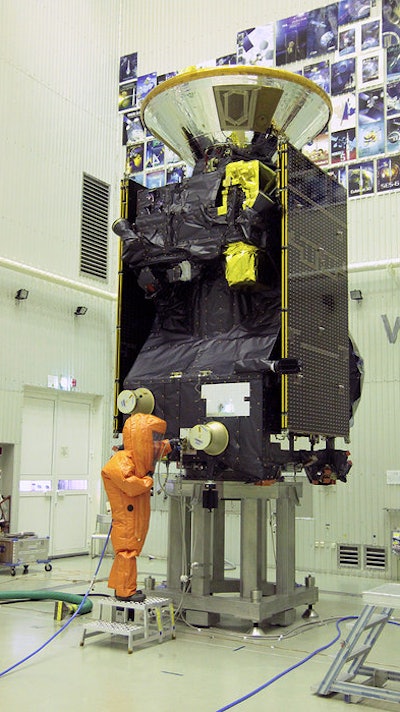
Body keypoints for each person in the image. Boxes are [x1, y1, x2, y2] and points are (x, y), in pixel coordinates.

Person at [101, 412, 171, 601]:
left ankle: (122, 587)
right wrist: (147, 481)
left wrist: (172, 445)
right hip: (126, 516)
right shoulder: (121, 460)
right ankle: (125, 592)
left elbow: (156, 449)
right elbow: (130, 485)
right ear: (140, 436)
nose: (155, 442)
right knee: (126, 551)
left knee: (131, 549)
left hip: (136, 514)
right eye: (153, 436)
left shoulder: (139, 458)